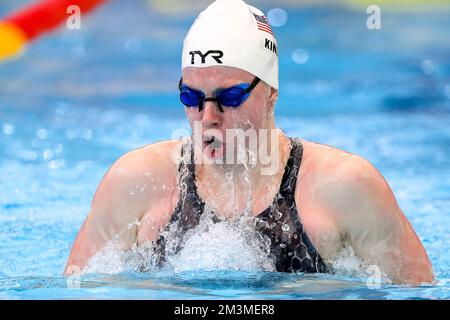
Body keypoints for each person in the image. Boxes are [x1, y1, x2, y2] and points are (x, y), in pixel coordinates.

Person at [64, 0, 434, 284]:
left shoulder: (344, 187)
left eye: (230, 96)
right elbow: (76, 288)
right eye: (191, 98)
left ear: (271, 92)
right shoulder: (136, 181)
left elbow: (419, 291)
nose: (207, 117)